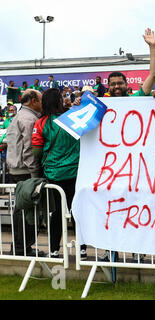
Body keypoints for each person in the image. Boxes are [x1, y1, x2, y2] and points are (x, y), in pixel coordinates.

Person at [32, 88, 86, 259]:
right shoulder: (71, 118)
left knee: (55, 214)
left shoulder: (40, 123)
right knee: (77, 211)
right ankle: (82, 249)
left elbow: (36, 152)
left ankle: (54, 250)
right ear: (60, 101)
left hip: (53, 175)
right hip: (75, 172)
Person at [6, 89, 44, 256]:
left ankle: (20, 248)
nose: (42, 104)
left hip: (17, 168)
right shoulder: (29, 119)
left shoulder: (19, 116)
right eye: (41, 100)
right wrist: (35, 173)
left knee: (21, 210)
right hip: (26, 171)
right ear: (34, 100)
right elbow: (30, 149)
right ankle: (22, 249)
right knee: (26, 211)